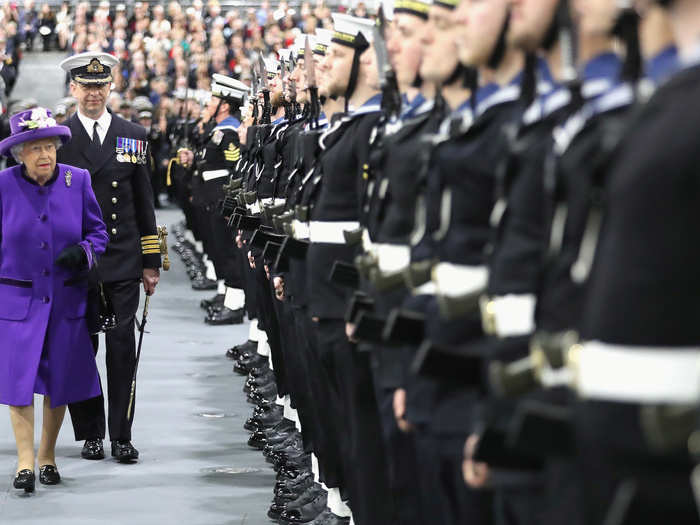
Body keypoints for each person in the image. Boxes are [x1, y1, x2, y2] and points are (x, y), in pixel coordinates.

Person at [57, 51, 161, 463]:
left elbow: (144, 200)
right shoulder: (60, 138)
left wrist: (150, 261)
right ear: (73, 89)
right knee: (81, 350)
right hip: (78, 261)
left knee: (121, 347)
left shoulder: (131, 134)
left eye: (100, 86)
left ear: (110, 88)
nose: (93, 93)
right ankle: (90, 433)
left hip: (122, 258)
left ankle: (121, 433)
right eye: (86, 86)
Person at [0, 107, 108, 493]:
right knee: (19, 383)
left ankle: (47, 456)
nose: (44, 154)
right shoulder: (4, 185)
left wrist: (83, 252)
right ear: (20, 154)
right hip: (16, 304)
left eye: (49, 146)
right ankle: (25, 462)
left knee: (58, 381)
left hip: (66, 301)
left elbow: (98, 233)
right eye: (35, 148)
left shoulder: (76, 180)